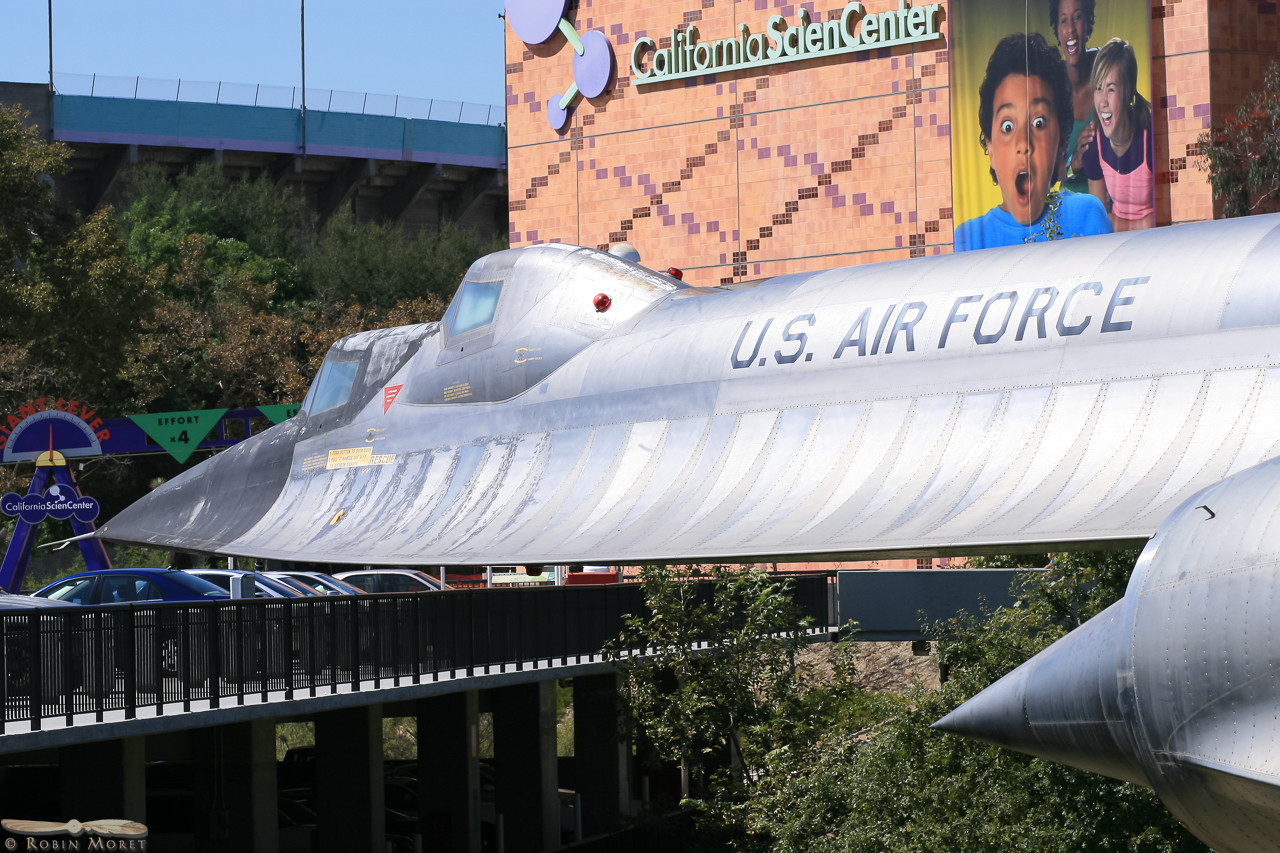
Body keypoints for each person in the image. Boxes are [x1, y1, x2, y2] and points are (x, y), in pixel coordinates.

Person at [954, 33, 1112, 251]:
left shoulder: (1088, 216)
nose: (1023, 144)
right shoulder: (968, 240)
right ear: (990, 149)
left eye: (1038, 123)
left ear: (1060, 143)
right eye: (1007, 127)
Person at [1083, 37, 1155, 230]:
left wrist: (1117, 224)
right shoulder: (1093, 141)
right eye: (1099, 89)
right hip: (1117, 242)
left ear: (1128, 91)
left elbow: (1167, 215)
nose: (1103, 101)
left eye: (1111, 89)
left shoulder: (1152, 137)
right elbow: (1099, 220)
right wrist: (1144, 224)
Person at [1050, 0, 1099, 193]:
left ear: (1088, 21)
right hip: (1070, 203)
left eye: (1077, 17)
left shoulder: (1107, 68)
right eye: (1063, 20)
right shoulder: (1051, 88)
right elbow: (1049, 172)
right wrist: (1075, 162)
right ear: (1057, 29)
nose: (1070, 28)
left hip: (1112, 201)